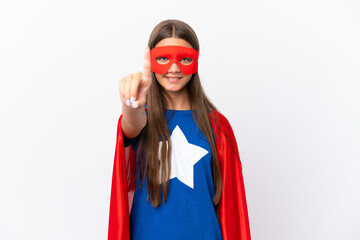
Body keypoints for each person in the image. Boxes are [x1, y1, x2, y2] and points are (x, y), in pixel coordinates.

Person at [108, 19, 251, 240]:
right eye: (163, 58)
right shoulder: (142, 118)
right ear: (151, 59)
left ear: (195, 61)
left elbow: (232, 209)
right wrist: (133, 103)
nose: (174, 68)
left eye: (184, 59)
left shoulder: (217, 126)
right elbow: (131, 123)